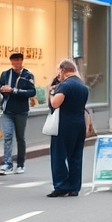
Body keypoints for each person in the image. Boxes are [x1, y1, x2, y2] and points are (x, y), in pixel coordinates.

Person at [47, 59, 89, 197]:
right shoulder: (82, 86)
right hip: (79, 123)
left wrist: (52, 92)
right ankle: (74, 187)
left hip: (64, 124)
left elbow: (55, 103)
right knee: (76, 155)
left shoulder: (65, 85)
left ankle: (61, 185)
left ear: (62, 70)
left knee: (59, 154)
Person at [0, 52, 36, 175]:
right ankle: (7, 163)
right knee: (8, 136)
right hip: (7, 110)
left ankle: (20, 164)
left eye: (18, 60)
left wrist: (14, 90)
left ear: (22, 61)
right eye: (14, 60)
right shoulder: (6, 74)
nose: (16, 63)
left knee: (20, 137)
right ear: (11, 62)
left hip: (21, 111)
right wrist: (2, 89)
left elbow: (32, 92)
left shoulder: (27, 75)